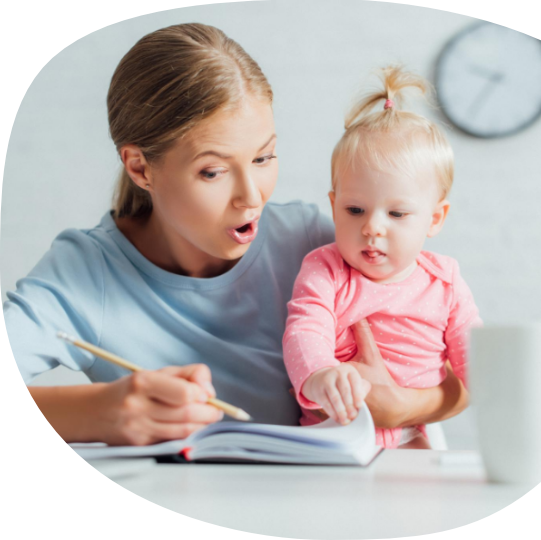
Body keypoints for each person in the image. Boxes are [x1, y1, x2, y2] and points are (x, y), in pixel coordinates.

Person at [6, 24, 465, 447]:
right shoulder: (87, 272)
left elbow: (457, 370)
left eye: (264, 158)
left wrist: (406, 407)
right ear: (141, 167)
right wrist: (97, 414)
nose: (252, 197)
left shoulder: (319, 240)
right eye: (213, 171)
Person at [283, 66, 482, 449]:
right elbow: (304, 330)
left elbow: (476, 358)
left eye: (396, 214)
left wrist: (499, 396)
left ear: (434, 218)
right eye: (355, 210)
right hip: (334, 436)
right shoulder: (326, 270)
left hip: (414, 436)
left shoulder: (445, 282)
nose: (372, 228)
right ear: (334, 205)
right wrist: (320, 375)